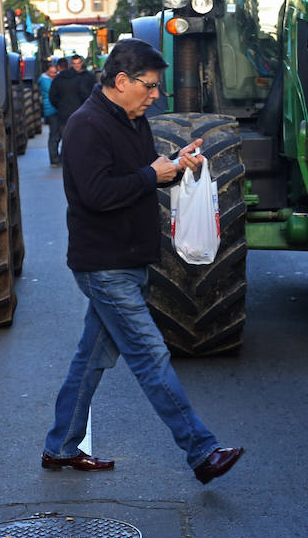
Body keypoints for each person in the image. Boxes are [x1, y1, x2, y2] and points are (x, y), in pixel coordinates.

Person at [41, 38, 244, 485]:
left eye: (156, 87)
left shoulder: (133, 122)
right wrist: (153, 173)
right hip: (104, 264)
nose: (155, 95)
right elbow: (97, 194)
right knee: (151, 357)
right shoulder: (85, 125)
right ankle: (202, 451)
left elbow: (138, 178)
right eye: (149, 86)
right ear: (121, 81)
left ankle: (60, 447)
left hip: (130, 259)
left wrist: (175, 165)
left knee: (90, 360)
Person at [47, 54, 83, 166]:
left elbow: (52, 97)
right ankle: (74, 158)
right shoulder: (77, 78)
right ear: (68, 66)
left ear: (58, 67)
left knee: (63, 136)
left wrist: (59, 105)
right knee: (76, 136)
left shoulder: (57, 80)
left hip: (62, 112)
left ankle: (60, 159)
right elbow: (83, 94)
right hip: (77, 111)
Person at [38, 58, 59, 134]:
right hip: (51, 109)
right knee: (54, 132)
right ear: (47, 72)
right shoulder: (45, 81)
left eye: (55, 72)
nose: (53, 75)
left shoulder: (53, 79)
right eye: (51, 73)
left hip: (55, 108)